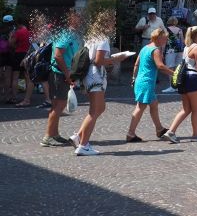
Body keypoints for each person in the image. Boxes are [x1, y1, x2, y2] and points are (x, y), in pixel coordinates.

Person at [72, 9, 131, 155]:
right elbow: (99, 61)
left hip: (90, 75)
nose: (114, 24)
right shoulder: (103, 39)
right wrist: (118, 58)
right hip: (95, 75)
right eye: (112, 22)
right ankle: (83, 145)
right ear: (106, 24)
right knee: (94, 111)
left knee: (99, 108)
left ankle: (79, 136)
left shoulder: (92, 37)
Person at [40, 10, 82, 148]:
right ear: (70, 19)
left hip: (61, 73)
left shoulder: (71, 34)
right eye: (78, 17)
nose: (81, 20)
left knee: (57, 105)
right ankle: (47, 137)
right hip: (60, 74)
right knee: (59, 105)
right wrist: (67, 73)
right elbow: (58, 55)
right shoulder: (67, 34)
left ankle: (54, 134)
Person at [164, 25, 197, 143]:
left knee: (186, 109)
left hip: (184, 79)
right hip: (193, 79)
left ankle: (171, 131)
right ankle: (196, 134)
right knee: (196, 109)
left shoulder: (187, 47)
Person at [126, 29, 174, 142]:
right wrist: (174, 73)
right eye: (165, 38)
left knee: (154, 105)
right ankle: (130, 133)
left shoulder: (145, 48)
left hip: (140, 81)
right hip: (146, 82)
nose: (166, 40)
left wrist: (134, 78)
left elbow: (136, 64)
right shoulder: (155, 50)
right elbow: (160, 66)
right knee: (140, 107)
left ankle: (159, 129)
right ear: (158, 38)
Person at [8, 16, 30, 104]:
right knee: (27, 77)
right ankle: (27, 98)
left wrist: (10, 37)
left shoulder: (18, 32)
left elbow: (11, 44)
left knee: (15, 77)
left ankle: (14, 97)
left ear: (19, 24)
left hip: (18, 53)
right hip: (26, 54)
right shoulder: (28, 32)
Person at [162, 16, 184, 94]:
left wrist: (162, 52)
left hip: (170, 51)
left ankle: (172, 86)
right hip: (180, 51)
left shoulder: (166, 30)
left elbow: (164, 42)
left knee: (170, 68)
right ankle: (177, 86)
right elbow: (182, 41)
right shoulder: (180, 30)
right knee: (178, 68)